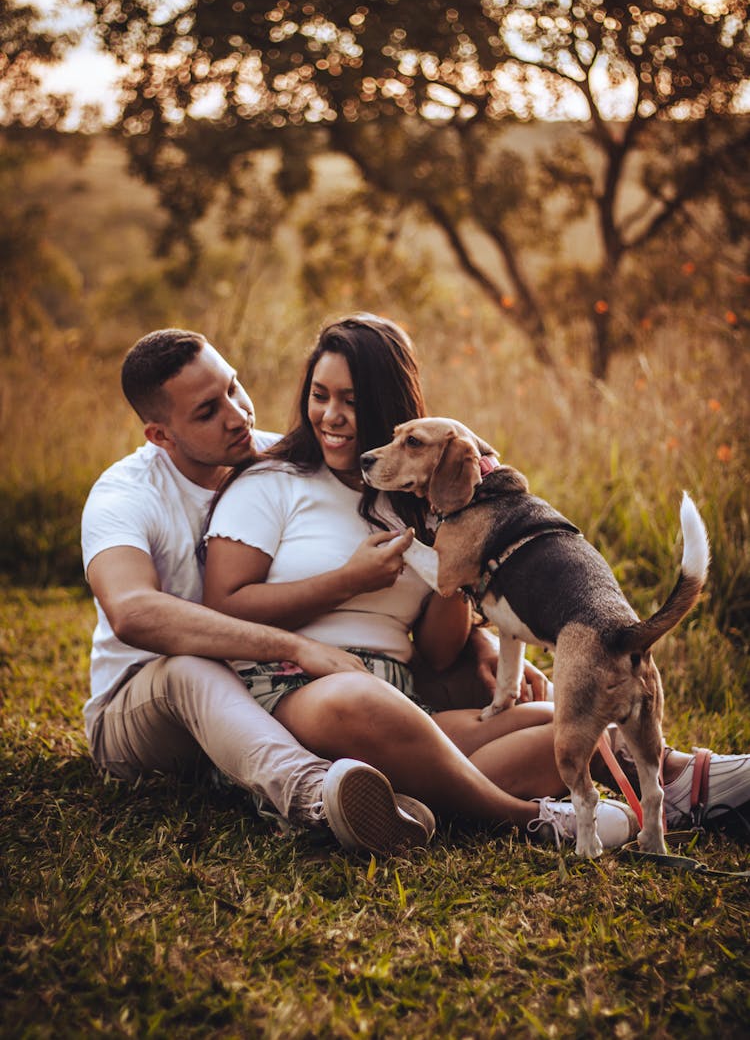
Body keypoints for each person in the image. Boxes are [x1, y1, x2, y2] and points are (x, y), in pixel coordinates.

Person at [203, 314, 750, 844]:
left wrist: (466, 583)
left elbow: (439, 654)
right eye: (319, 396)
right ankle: (531, 818)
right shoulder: (273, 481)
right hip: (300, 683)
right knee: (358, 701)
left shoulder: (419, 500)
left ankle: (407, 794)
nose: (332, 415)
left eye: (351, 399)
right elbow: (222, 605)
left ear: (392, 407)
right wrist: (348, 581)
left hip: (402, 697)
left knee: (564, 723)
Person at [81, 327, 441, 857]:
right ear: (160, 435)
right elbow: (132, 612)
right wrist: (295, 647)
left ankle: (388, 795)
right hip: (143, 711)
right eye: (207, 412)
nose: (237, 415)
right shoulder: (125, 495)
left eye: (234, 388)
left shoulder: (284, 458)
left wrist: (489, 646)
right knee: (190, 669)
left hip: (262, 699)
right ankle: (316, 797)